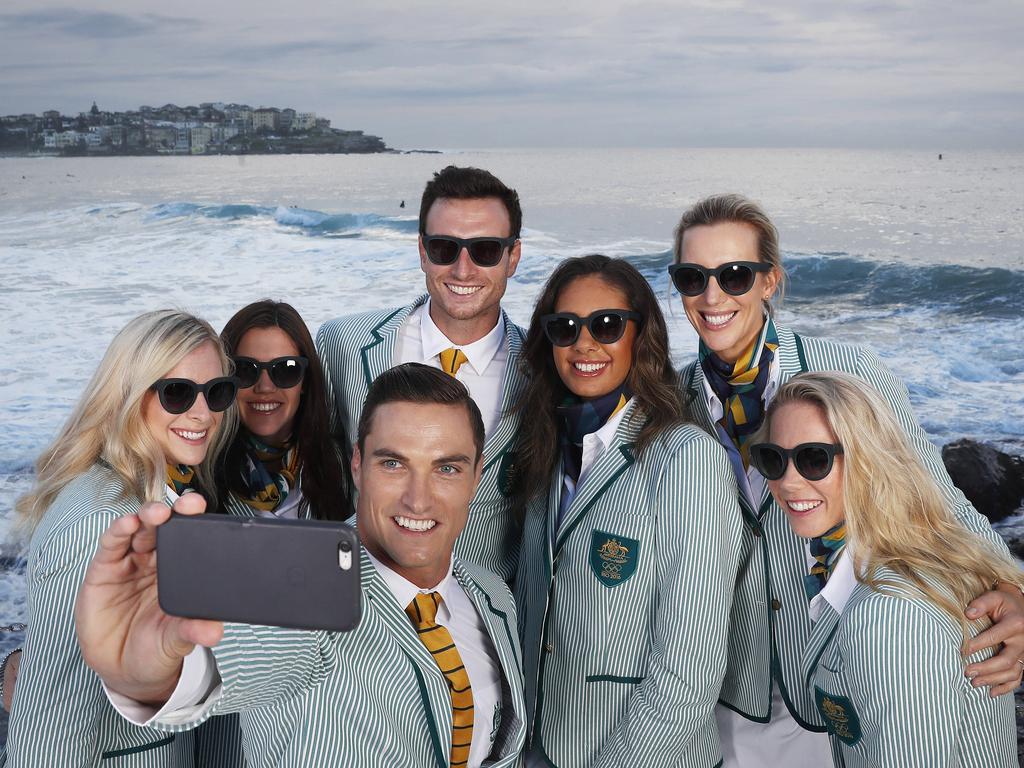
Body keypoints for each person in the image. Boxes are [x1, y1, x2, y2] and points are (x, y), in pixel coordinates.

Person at [669, 193, 1024, 766]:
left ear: (770, 281)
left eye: (735, 275)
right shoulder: (667, 401)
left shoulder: (854, 373)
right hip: (725, 691)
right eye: (693, 276)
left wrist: (1012, 588)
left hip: (841, 674)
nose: (713, 296)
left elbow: (937, 501)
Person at [74, 363, 528, 768]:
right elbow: (224, 666)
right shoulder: (300, 583)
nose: (419, 498)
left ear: (476, 476)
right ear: (357, 465)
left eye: (447, 468)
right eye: (393, 463)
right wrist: (144, 672)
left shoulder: (492, 596)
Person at [514, 255, 743, 767]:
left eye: (608, 325)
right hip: (541, 745)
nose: (585, 343)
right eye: (565, 327)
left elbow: (690, 668)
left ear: (642, 336)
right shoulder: (543, 445)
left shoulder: (686, 458)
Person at [4, 310, 240, 767]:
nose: (202, 412)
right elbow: (49, 714)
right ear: (130, 396)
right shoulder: (104, 521)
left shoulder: (154, 493)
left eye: (217, 393)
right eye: (177, 392)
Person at [749, 371, 1020, 766]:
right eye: (772, 459)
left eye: (813, 459)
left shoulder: (889, 615)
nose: (788, 482)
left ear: (867, 460)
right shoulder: (917, 553)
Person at [316, 165, 526, 580]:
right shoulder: (344, 344)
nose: (463, 270)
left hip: (479, 619)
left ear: (513, 256)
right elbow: (317, 473)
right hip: (359, 603)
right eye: (445, 248)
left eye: (485, 250)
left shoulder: (544, 371)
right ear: (422, 251)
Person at [218, 300, 353, 520]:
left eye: (286, 369)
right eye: (245, 369)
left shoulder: (341, 466)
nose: (265, 387)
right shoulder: (200, 468)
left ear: (306, 382)